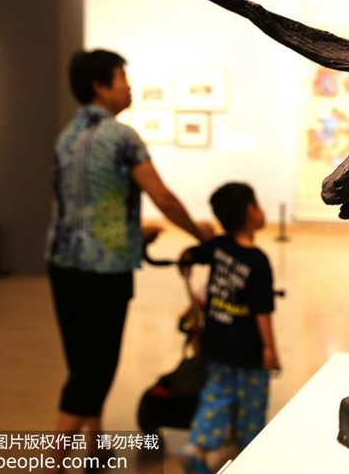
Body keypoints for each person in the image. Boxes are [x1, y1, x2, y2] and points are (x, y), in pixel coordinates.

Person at [46, 49, 211, 470]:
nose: (129, 86)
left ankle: (95, 446)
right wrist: (201, 235)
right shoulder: (122, 137)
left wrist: (135, 233)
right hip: (102, 271)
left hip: (63, 264)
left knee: (82, 360)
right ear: (101, 86)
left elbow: (81, 207)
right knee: (94, 370)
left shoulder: (66, 137)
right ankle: (52, 462)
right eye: (122, 77)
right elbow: (163, 198)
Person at [178, 182, 280, 474]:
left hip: (216, 343)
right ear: (250, 211)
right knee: (251, 403)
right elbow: (262, 312)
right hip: (248, 350)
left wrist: (187, 257)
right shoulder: (258, 262)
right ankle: (249, 456)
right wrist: (269, 349)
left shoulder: (218, 246)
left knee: (216, 395)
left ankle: (197, 447)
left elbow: (190, 254)